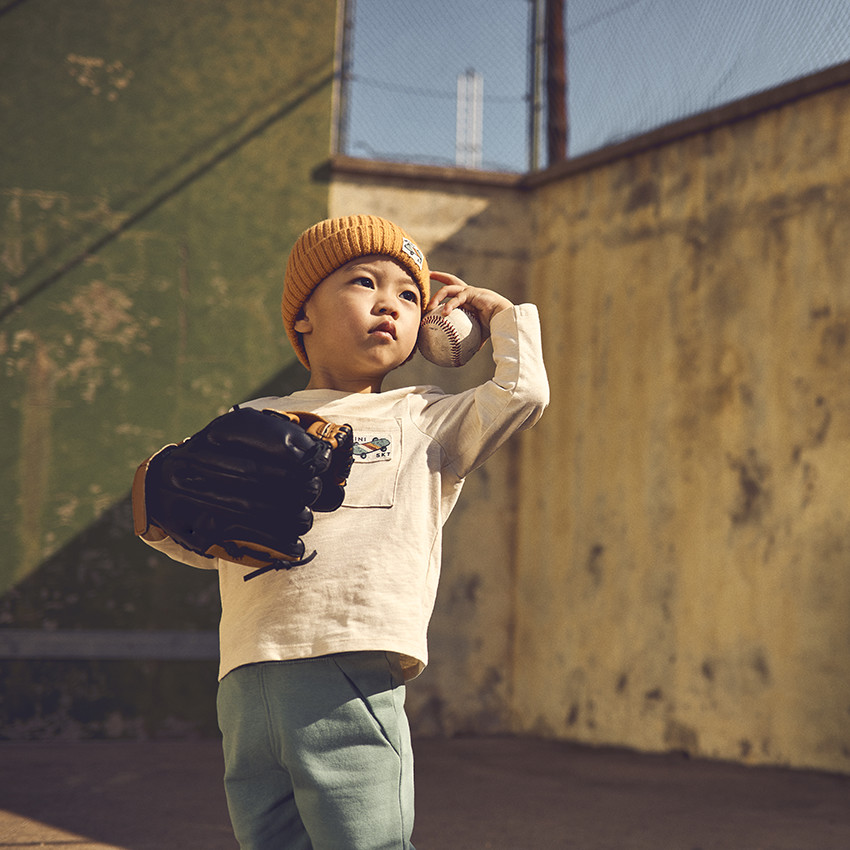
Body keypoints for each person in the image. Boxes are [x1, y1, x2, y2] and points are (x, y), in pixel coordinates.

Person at [134, 214, 549, 849]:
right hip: (247, 672)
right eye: (363, 282)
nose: (390, 303)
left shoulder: (427, 418)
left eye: (409, 295)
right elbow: (197, 536)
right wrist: (159, 496)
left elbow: (522, 393)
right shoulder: (250, 419)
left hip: (350, 664)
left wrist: (498, 313)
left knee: (366, 843)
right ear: (302, 315)